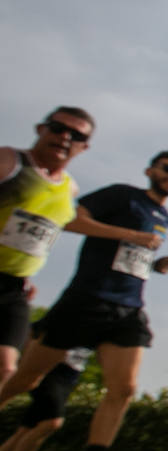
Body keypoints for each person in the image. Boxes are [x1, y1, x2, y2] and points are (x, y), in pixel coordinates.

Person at [0, 151, 168, 451]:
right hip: (87, 299)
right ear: (150, 170)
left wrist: (154, 263)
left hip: (128, 307)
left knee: (124, 389)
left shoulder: (164, 216)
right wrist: (130, 234)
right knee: (23, 380)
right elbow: (71, 220)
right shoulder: (120, 195)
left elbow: (130, 257)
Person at [0, 108, 97, 393]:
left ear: (84, 146)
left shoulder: (70, 189)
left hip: (14, 288)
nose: (66, 137)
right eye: (58, 128)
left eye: (77, 135)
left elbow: (41, 233)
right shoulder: (10, 161)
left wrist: (26, 271)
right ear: (41, 129)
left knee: (6, 366)